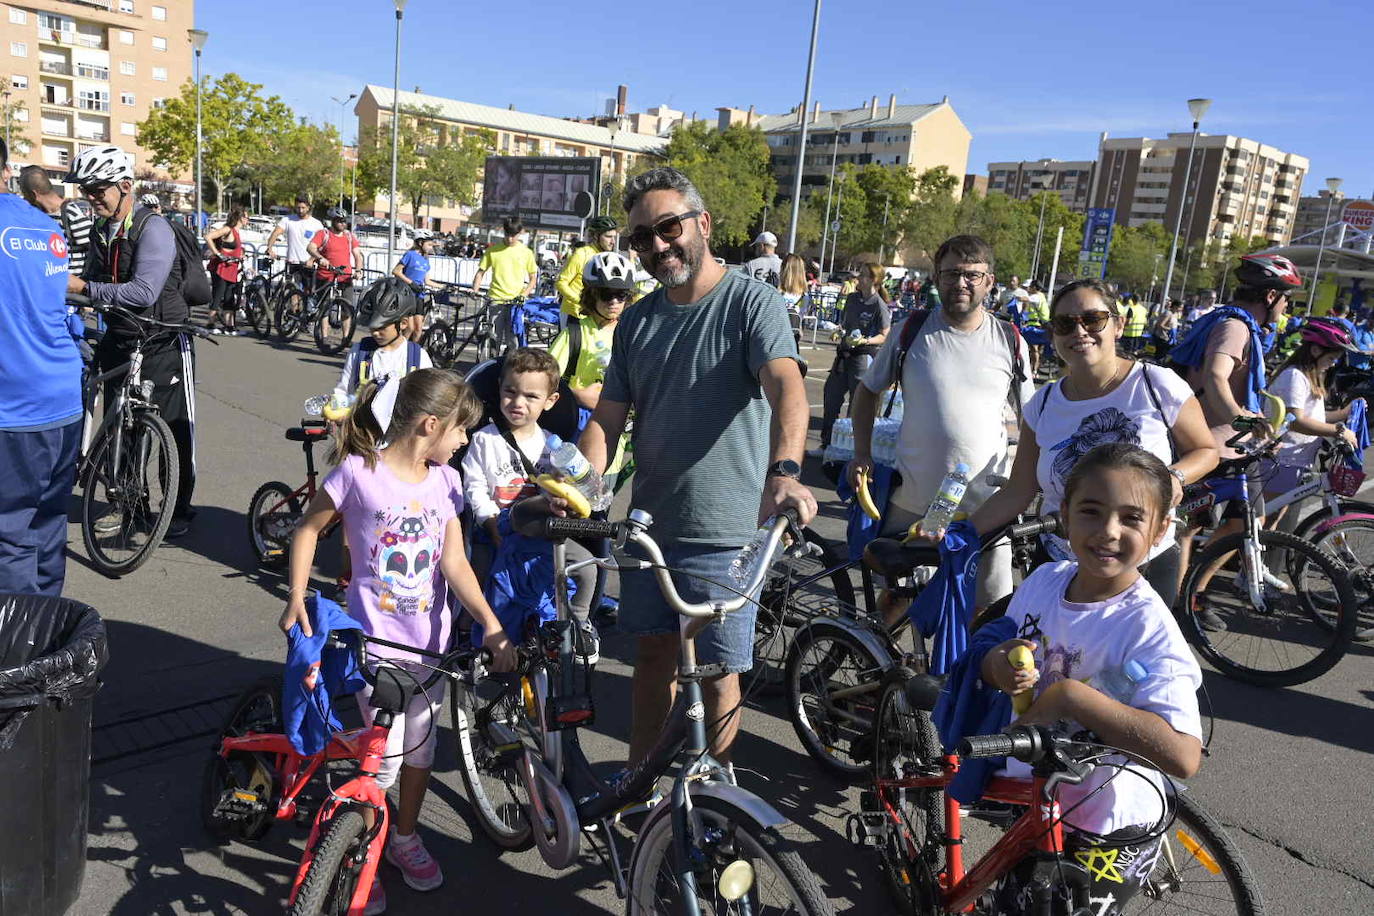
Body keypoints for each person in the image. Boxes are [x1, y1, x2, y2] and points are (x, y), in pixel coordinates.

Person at [579, 166, 816, 768]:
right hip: (650, 527)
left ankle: (718, 797)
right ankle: (639, 783)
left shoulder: (750, 302)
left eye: (667, 228)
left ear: (701, 224)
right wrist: (578, 482)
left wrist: (784, 470)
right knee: (652, 661)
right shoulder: (637, 319)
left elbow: (787, 386)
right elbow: (607, 418)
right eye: (641, 237)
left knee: (718, 674)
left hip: (727, 530)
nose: (657, 246)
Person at [278, 368, 516, 915]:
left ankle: (403, 835)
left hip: (429, 648)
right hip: (373, 646)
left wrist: (490, 622)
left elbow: (454, 563)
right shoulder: (359, 474)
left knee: (421, 751)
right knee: (379, 762)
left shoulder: (446, 483)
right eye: (459, 431)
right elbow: (309, 528)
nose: (463, 442)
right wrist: (296, 596)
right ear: (430, 425)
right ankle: (365, 848)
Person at [974, 443, 1202, 916]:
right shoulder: (1044, 581)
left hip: (1109, 816)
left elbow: (1183, 756)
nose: (1108, 532)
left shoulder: (1147, 628)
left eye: (1131, 518)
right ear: (1065, 514)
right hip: (1038, 788)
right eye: (1091, 512)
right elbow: (999, 650)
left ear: (1161, 530)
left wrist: (1073, 698)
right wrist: (996, 663)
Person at [964, 279, 1218, 607]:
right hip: (1059, 566)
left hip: (1142, 564)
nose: (1079, 331)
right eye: (1065, 324)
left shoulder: (1155, 384)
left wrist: (1175, 476)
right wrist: (961, 535)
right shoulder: (1042, 404)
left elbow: (1206, 451)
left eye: (1093, 320)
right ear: (1054, 335)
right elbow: (1018, 491)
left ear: (1118, 325)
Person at [850, 235, 1033, 623]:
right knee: (899, 600)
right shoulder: (910, 331)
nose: (961, 283)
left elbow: (1033, 419)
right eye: (951, 274)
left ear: (990, 281)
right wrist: (861, 453)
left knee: (986, 608)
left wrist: (1027, 482)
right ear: (936, 278)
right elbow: (867, 392)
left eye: (972, 275)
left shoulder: (1010, 340)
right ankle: (878, 676)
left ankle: (957, 682)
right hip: (915, 502)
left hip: (986, 507)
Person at [65, 144, 199, 537]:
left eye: (97, 189)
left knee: (173, 429)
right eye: (86, 190)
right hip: (121, 336)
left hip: (163, 340)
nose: (91, 198)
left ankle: (177, 509)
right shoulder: (100, 229)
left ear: (125, 186)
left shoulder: (153, 228)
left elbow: (143, 292)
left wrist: (85, 288)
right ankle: (126, 503)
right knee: (119, 424)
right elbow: (93, 281)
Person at [1170, 252, 1302, 630]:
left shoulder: (1246, 327)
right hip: (1209, 445)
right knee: (1187, 528)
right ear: (1271, 296)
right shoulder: (1235, 326)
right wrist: (1239, 416)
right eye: (1287, 298)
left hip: (1236, 445)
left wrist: (1253, 424)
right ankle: (1180, 601)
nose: (1287, 306)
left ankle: (1193, 590)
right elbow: (1215, 377)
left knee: (1247, 520)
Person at [460, 348, 601, 662]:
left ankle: (578, 621)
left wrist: (565, 494)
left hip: (540, 532)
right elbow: (475, 487)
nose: (517, 403)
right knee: (478, 580)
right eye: (510, 392)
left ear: (549, 401)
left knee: (587, 565)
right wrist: (490, 521)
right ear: (499, 389)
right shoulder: (485, 440)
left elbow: (563, 491)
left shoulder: (554, 446)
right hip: (495, 529)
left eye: (530, 396)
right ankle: (471, 631)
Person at [0, 139, 84, 595]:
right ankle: (47, 633)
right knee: (47, 524)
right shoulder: (43, 224)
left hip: (15, 406)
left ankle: (20, 651)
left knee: (9, 532)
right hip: (62, 393)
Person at [1264, 319, 1360, 505]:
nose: (1333, 364)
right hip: (1281, 458)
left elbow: (1316, 418)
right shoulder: (1295, 376)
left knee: (1273, 520)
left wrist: (1347, 412)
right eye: (1331, 358)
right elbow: (1296, 421)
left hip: (1297, 459)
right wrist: (1338, 431)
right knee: (1262, 518)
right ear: (1316, 350)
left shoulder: (1309, 378)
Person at [811, 262, 892, 457]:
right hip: (843, 356)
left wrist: (865, 340)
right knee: (831, 397)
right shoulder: (853, 299)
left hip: (863, 358)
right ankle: (826, 444)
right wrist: (839, 332)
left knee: (858, 405)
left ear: (873, 280)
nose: (858, 278)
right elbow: (846, 324)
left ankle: (851, 450)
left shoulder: (878, 305)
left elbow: (884, 335)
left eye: (863, 275)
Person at [337, 279, 433, 396]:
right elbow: (343, 391)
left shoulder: (419, 358)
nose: (375, 333)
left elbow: (427, 399)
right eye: (371, 327)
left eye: (381, 327)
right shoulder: (358, 352)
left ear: (403, 323)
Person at [18, 165, 92, 278]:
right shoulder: (37, 215)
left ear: (33, 194)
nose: (24, 199)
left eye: (25, 194)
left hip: (72, 292)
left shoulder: (71, 214)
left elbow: (94, 253)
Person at [555, 215, 619, 325]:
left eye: (614, 237)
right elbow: (561, 283)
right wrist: (581, 301)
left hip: (594, 315)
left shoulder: (607, 257)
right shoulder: (581, 254)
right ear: (595, 236)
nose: (613, 241)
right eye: (608, 237)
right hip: (573, 314)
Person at [265, 195, 325, 299]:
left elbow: (321, 246)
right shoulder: (288, 220)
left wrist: (312, 259)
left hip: (308, 264)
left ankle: (302, 313)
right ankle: (293, 313)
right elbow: (275, 233)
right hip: (292, 263)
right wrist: (270, 248)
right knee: (292, 293)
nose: (300, 210)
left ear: (308, 207)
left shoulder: (316, 224)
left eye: (303, 208)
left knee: (308, 294)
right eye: (298, 208)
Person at [472, 217, 537, 304]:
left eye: (513, 236)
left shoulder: (527, 253)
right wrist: (475, 290)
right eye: (507, 234)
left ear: (520, 233)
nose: (510, 239)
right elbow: (480, 273)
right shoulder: (492, 250)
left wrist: (524, 295)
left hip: (516, 301)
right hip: (495, 299)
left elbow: (533, 278)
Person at [392, 229, 440, 343]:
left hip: (419, 296)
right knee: (409, 328)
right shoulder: (410, 255)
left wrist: (442, 286)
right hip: (407, 294)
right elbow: (396, 271)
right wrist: (411, 283)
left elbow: (427, 281)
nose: (430, 247)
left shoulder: (425, 260)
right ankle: (400, 351)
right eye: (428, 244)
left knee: (418, 329)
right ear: (420, 243)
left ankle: (413, 353)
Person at [205, 207, 248, 336]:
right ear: (240, 218)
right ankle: (210, 324)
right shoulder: (228, 229)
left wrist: (240, 256)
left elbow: (234, 249)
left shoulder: (236, 232)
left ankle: (230, 326)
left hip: (232, 268)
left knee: (229, 297)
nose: (248, 220)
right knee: (218, 296)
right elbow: (208, 237)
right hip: (222, 268)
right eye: (246, 217)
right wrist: (218, 254)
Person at [308, 207, 364, 303]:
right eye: (339, 221)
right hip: (326, 276)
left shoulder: (349, 236)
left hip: (345, 277)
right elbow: (311, 248)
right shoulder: (324, 234)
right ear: (333, 221)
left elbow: (358, 255)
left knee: (348, 310)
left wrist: (358, 271)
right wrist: (320, 258)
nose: (343, 224)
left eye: (344, 221)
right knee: (324, 310)